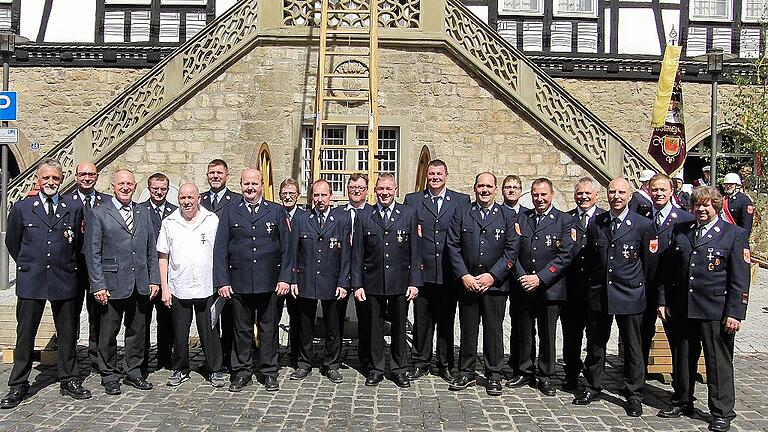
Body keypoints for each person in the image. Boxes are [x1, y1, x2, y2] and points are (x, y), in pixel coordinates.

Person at [656, 186, 750, 432]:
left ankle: (721, 411)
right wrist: (663, 300)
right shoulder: (682, 230)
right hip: (683, 308)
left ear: (716, 207)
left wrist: (735, 313)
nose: (701, 210)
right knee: (683, 358)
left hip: (715, 310)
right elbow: (669, 270)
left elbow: (740, 278)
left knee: (717, 363)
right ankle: (682, 400)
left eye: (706, 205)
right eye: (697, 205)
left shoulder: (733, 234)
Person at [1, 159, 92, 409]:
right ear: (37, 180)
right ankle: (18, 384)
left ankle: (69, 378)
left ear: (62, 180)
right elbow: (14, 242)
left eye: (55, 178)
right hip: (33, 279)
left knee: (67, 333)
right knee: (25, 334)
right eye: (46, 178)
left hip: (64, 278)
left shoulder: (71, 208)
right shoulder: (22, 208)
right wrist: (30, 263)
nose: (51, 182)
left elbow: (77, 242)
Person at [573, 177, 656, 417]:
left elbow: (649, 265)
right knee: (596, 344)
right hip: (601, 293)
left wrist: (642, 290)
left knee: (632, 346)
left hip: (630, 293)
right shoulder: (597, 223)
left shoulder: (642, 225)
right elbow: (590, 259)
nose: (616, 196)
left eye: (621, 192)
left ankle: (633, 393)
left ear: (630, 196)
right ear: (606, 195)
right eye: (612, 192)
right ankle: (592, 385)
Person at [213, 168, 292, 392]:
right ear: (241, 185)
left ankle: (269, 371)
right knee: (241, 329)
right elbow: (220, 250)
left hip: (269, 282)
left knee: (268, 329)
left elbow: (287, 249)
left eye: (254, 184)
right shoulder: (229, 212)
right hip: (239, 282)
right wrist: (223, 281)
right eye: (246, 184)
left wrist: (285, 278)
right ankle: (241, 371)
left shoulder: (276, 212)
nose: (250, 188)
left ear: (261, 185)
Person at [84, 169, 161, 395]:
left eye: (129, 184)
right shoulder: (99, 214)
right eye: (121, 184)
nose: (125, 187)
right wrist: (98, 285)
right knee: (108, 332)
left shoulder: (142, 212)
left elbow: (151, 250)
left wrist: (154, 279)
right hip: (112, 283)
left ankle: (134, 371)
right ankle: (108, 373)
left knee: (137, 331)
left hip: (140, 283)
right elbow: (93, 253)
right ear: (113, 187)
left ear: (135, 187)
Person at [446, 172, 519, 396]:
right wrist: (464, 275)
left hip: (494, 286)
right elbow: (453, 246)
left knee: (493, 331)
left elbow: (511, 250)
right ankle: (466, 371)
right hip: (468, 283)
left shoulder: (507, 216)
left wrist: (493, 276)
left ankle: (493, 373)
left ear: (495, 189)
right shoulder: (462, 213)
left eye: (489, 186)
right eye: (480, 186)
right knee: (468, 329)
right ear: (475, 188)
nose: (484, 190)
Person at [351, 173, 421, 388]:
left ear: (395, 189)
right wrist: (357, 284)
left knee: (399, 328)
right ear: (375, 190)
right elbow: (357, 253)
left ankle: (399, 369)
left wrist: (414, 282)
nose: (384, 193)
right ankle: (376, 368)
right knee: (374, 328)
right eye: (381, 189)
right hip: (372, 282)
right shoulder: (365, 216)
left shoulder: (408, 214)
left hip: (400, 282)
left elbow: (415, 252)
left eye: (388, 189)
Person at [403, 159, 469, 383]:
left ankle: (445, 364)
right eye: (431, 174)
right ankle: (420, 362)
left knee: (446, 321)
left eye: (439, 174)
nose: (435, 178)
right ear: (426, 176)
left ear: (446, 175)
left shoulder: (461, 201)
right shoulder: (413, 201)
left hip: (449, 273)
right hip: (423, 272)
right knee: (421, 320)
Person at [509, 178, 574, 396]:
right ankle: (524, 370)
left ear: (552, 194)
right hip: (524, 286)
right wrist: (522, 277)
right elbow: (512, 250)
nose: (540, 199)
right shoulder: (522, 218)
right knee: (524, 331)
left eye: (544, 194)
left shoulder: (564, 220)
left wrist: (541, 278)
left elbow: (565, 256)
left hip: (550, 287)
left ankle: (545, 375)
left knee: (547, 334)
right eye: (536, 195)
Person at [157, 183, 225, 388]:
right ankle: (180, 368)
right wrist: (165, 288)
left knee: (210, 331)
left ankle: (214, 369)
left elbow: (220, 252)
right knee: (179, 332)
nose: (186, 202)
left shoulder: (212, 220)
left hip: (207, 285)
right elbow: (163, 256)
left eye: (190, 197)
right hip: (180, 286)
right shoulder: (169, 222)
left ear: (198, 198)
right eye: (182, 198)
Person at [287, 179, 352, 384]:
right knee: (305, 325)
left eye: (323, 195)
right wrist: (294, 279)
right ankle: (304, 363)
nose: (320, 199)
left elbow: (347, 255)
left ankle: (331, 364)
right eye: (316, 195)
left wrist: (343, 282)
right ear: (311, 197)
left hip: (332, 281)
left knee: (334, 325)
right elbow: (294, 252)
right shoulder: (302, 219)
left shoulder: (341, 220)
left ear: (330, 196)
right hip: (306, 279)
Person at [641, 174, 695, 370]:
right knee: (641, 338)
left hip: (672, 291)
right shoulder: (641, 217)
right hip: (645, 288)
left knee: (678, 341)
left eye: (663, 189)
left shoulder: (685, 219)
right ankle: (637, 382)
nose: (658, 193)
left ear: (671, 191)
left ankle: (680, 386)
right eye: (655, 189)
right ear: (648, 190)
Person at [64, 160, 111, 371]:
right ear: (76, 177)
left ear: (97, 177)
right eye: (83, 174)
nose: (87, 178)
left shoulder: (107, 202)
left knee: (98, 314)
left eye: (91, 174)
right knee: (71, 315)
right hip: (73, 267)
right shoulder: (65, 202)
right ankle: (69, 359)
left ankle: (97, 358)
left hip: (98, 268)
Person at [562, 177, 605, 390]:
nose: (584, 197)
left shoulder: (605, 219)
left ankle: (592, 379)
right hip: (571, 288)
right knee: (571, 336)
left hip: (596, 289)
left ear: (597, 195)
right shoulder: (567, 219)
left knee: (595, 338)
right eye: (580, 193)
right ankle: (570, 374)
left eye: (588, 193)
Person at [200, 159, 242, 370]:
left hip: (230, 267)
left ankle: (230, 358)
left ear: (227, 176)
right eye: (211, 173)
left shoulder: (236, 200)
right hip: (205, 267)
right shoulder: (199, 201)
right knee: (210, 316)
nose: (215, 176)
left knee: (231, 317)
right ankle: (213, 359)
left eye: (219, 173)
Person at [141, 173, 178, 371]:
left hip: (168, 275)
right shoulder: (140, 211)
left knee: (167, 320)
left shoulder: (175, 212)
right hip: (146, 275)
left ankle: (165, 356)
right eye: (155, 188)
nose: (159, 192)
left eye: (163, 188)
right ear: (149, 189)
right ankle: (143, 358)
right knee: (142, 321)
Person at [342, 173, 374, 375]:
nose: (356, 190)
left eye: (360, 187)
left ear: (367, 190)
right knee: (336, 317)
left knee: (367, 319)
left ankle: (367, 358)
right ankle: (333, 357)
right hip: (342, 273)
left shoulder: (373, 213)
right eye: (353, 187)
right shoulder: (338, 213)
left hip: (365, 274)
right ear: (347, 189)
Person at [277, 178, 304, 369]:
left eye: (292, 194)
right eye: (285, 193)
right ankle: (271, 352)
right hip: (277, 276)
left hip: (297, 275)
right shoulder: (274, 214)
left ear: (298, 196)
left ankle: (296, 353)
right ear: (279, 195)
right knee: (272, 317)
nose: (288, 197)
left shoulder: (304, 217)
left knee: (297, 317)